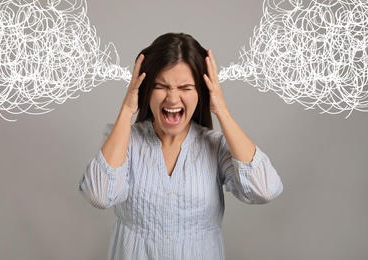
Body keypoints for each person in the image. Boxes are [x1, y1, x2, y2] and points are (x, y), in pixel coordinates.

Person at [79, 32, 283, 260]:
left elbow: (265, 190)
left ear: (201, 93)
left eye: (186, 88)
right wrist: (127, 109)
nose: (173, 99)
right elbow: (98, 195)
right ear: (146, 90)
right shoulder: (126, 142)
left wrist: (222, 111)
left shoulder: (215, 146)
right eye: (161, 86)